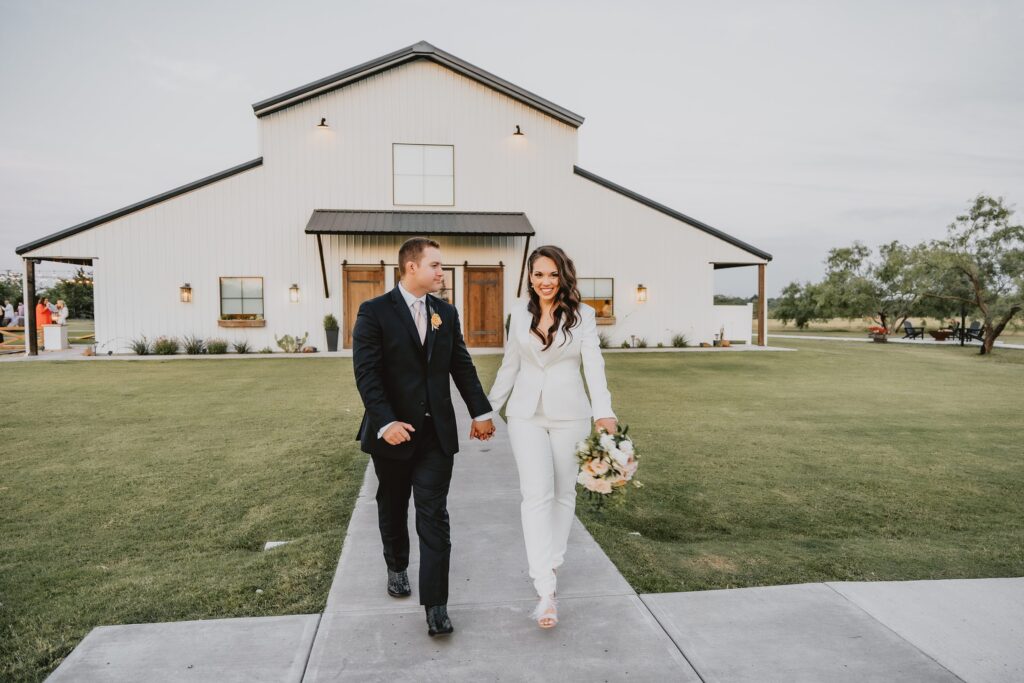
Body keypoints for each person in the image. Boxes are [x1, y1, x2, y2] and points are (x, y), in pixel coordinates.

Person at [352, 237, 496, 638]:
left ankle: (437, 606)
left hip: (436, 436)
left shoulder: (445, 314)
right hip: (393, 436)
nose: (441, 272)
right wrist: (385, 422)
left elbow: (461, 366)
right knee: (394, 506)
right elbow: (367, 374)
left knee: (434, 516)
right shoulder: (374, 312)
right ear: (410, 268)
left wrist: (480, 411)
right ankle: (396, 565)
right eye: (435, 265)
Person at [486, 245, 617, 629]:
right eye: (539, 274)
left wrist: (603, 411)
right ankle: (544, 587)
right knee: (535, 494)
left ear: (564, 276)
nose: (546, 282)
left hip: (570, 414)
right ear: (529, 276)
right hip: (525, 414)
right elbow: (510, 365)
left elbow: (594, 365)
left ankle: (553, 563)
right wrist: (487, 410)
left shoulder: (584, 316)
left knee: (563, 493)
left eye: (553, 274)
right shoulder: (517, 313)